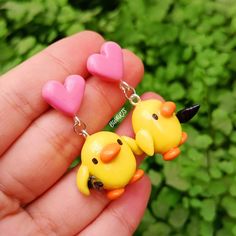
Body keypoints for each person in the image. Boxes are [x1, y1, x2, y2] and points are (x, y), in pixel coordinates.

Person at [0, 31, 162, 235]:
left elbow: (128, 143)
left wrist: (134, 144)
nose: (110, 152)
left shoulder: (113, 138)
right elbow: (86, 175)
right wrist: (86, 185)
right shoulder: (94, 148)